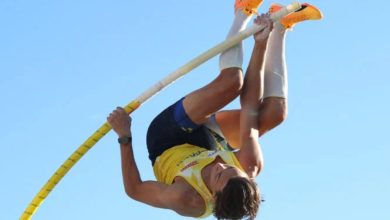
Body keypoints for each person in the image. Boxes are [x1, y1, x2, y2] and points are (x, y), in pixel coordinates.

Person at [107, 1, 322, 219]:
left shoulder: (188, 198)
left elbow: (134, 189)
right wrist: (260, 43)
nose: (221, 165)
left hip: (167, 140)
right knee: (274, 114)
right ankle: (280, 25)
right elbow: (249, 107)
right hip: (207, 142)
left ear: (214, 197)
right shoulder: (249, 165)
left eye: (219, 176)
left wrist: (124, 137)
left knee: (231, 83)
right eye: (231, 169)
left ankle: (241, 13)